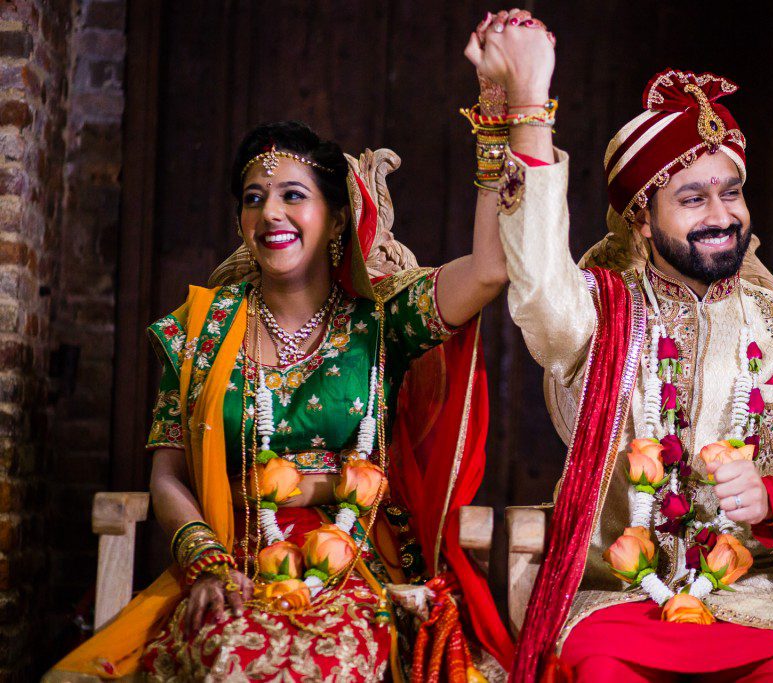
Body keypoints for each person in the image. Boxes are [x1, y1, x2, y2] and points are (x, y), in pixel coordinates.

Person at [49, 13, 556, 676]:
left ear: (336, 215)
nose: (271, 214)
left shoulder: (379, 323)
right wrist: (203, 560)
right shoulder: (202, 329)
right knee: (227, 652)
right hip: (229, 561)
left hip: (352, 565)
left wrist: (499, 108)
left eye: (293, 195)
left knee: (332, 661)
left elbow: (490, 269)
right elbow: (169, 473)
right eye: (254, 198)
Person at [482, 54, 773, 683]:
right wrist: (530, 108)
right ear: (643, 221)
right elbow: (541, 283)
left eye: (730, 192)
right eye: (692, 198)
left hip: (754, 606)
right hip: (614, 599)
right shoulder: (595, 315)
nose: (721, 215)